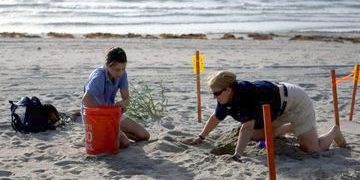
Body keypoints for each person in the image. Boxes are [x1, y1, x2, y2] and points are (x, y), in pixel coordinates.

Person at [183, 71, 346, 161]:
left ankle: (334, 131)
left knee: (311, 149)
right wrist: (201, 137)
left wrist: (237, 155)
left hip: (295, 102)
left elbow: (246, 127)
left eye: (216, 93)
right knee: (256, 136)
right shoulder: (225, 97)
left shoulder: (245, 95)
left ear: (228, 89)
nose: (214, 97)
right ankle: (292, 127)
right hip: (275, 108)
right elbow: (216, 117)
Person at [82, 47, 150, 148]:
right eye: (117, 70)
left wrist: (123, 104)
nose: (121, 73)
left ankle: (116, 132)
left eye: (123, 69)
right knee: (124, 143)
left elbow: (126, 99)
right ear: (107, 65)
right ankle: (99, 134)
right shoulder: (99, 76)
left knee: (144, 135)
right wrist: (106, 116)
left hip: (112, 115)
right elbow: (86, 100)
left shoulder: (122, 74)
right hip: (96, 117)